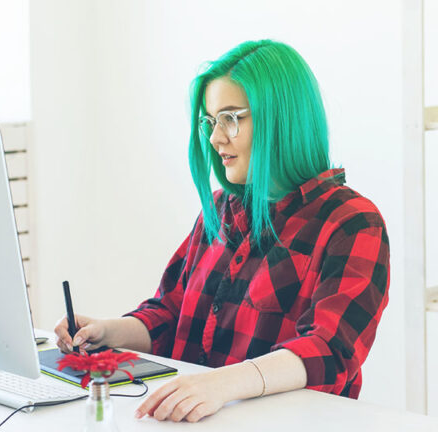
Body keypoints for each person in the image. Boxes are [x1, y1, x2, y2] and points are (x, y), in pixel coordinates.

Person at [54, 39, 390, 423]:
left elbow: (330, 351)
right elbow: (171, 311)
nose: (215, 139)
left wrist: (221, 385)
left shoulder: (352, 223)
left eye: (231, 118)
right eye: (211, 121)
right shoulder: (219, 209)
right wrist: (107, 332)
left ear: (281, 118)